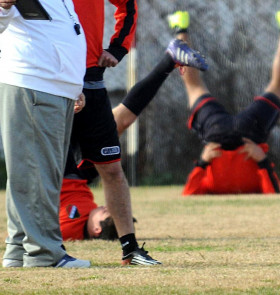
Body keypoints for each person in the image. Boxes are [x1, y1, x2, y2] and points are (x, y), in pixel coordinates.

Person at [0, 0, 89, 268]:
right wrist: (2, 5)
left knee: (33, 172)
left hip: (52, 88)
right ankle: (44, 255)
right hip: (30, 85)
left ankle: (18, 250)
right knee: (38, 173)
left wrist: (75, 84)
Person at [49, 0, 159, 265]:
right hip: (49, 84)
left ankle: (130, 249)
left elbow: (127, 5)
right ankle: (41, 249)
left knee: (111, 168)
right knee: (44, 171)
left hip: (92, 83)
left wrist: (117, 48)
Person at [60, 39, 206, 241]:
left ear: (96, 230)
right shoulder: (92, 220)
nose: (105, 206)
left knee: (65, 117)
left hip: (58, 173)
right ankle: (170, 59)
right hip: (82, 176)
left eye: (106, 212)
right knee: (123, 120)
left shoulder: (67, 232)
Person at [178, 9, 280, 195]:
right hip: (239, 140)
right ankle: (181, 26)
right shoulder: (226, 184)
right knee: (194, 87)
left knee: (278, 86)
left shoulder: (212, 187)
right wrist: (261, 161)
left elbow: (188, 193)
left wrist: (204, 162)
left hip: (228, 140)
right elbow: (274, 193)